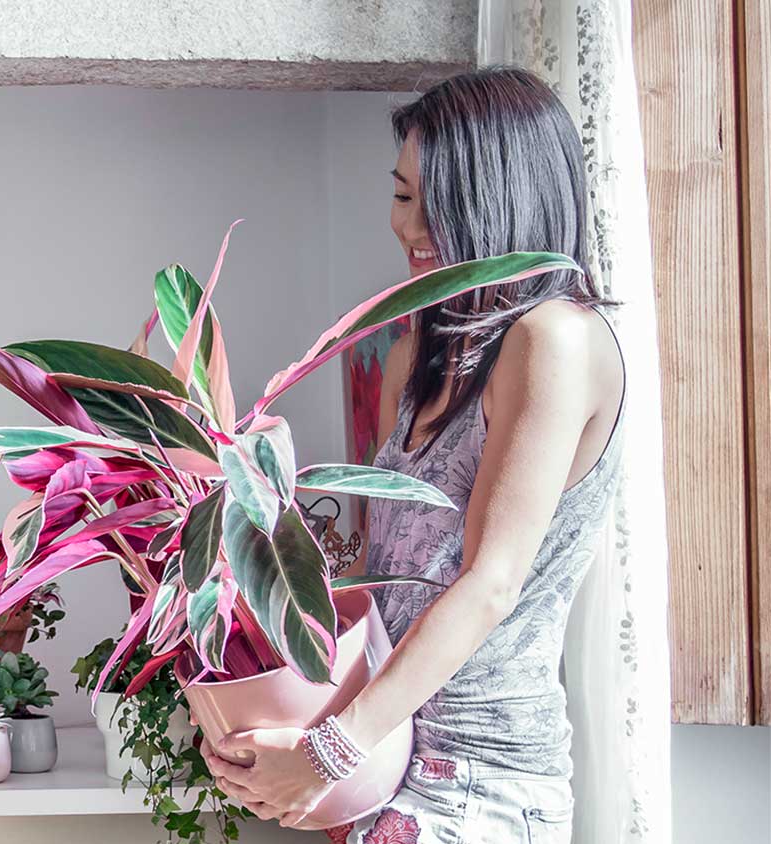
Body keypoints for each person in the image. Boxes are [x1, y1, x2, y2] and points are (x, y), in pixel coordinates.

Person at [201, 67, 626, 844]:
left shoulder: (553, 338)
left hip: (479, 783)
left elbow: (490, 584)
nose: (413, 228)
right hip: (386, 762)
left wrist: (327, 752)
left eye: (443, 203)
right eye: (402, 196)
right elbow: (384, 576)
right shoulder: (415, 356)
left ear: (504, 203)